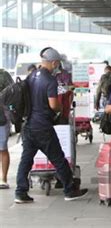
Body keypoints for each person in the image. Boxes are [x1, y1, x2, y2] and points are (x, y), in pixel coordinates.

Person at [15, 47, 88, 204]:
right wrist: (60, 108)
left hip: (28, 125)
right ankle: (69, 190)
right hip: (43, 126)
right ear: (54, 62)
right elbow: (53, 104)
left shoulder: (32, 75)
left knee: (26, 160)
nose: (57, 66)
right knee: (58, 158)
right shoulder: (50, 80)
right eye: (57, 63)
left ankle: (20, 192)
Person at [0, 68, 14, 189]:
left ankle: (3, 179)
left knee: (2, 148)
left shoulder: (3, 75)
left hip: (2, 118)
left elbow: (13, 92)